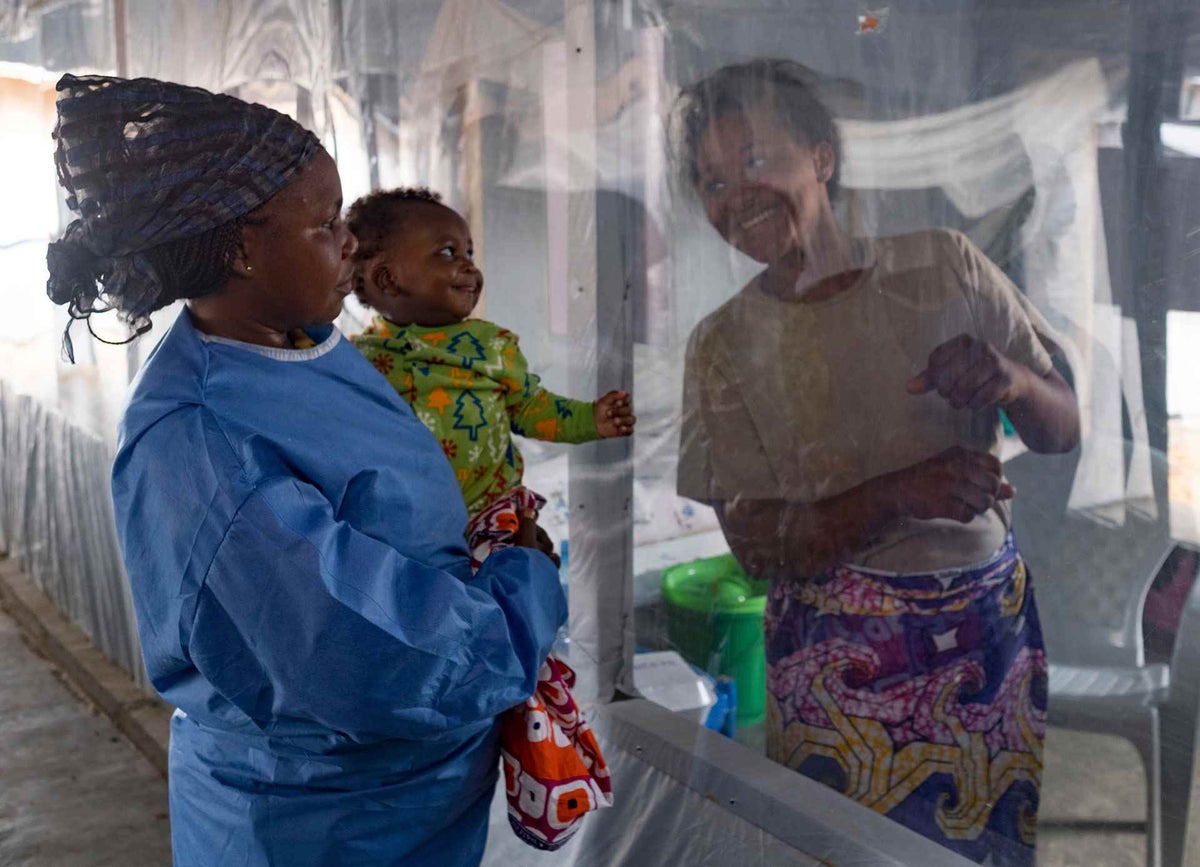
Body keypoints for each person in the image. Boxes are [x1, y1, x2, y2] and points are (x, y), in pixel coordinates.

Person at [45, 74, 564, 867]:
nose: (350, 243)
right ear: (240, 249)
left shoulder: (301, 346)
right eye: (326, 224)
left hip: (397, 802)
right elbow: (375, 654)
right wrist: (522, 588)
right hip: (318, 825)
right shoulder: (204, 439)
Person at [674, 60, 1080, 865]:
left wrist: (1011, 378)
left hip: (986, 647)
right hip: (838, 676)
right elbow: (755, 546)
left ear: (821, 156)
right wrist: (899, 493)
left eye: (756, 160)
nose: (736, 195)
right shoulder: (723, 344)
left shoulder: (944, 265)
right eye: (712, 181)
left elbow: (1061, 427)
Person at [346, 187, 636, 569]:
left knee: (495, 593)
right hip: (406, 531)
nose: (469, 266)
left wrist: (589, 418)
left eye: (469, 253)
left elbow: (530, 407)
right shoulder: (357, 358)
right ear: (387, 280)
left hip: (488, 517)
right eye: (448, 252)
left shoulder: (489, 347)